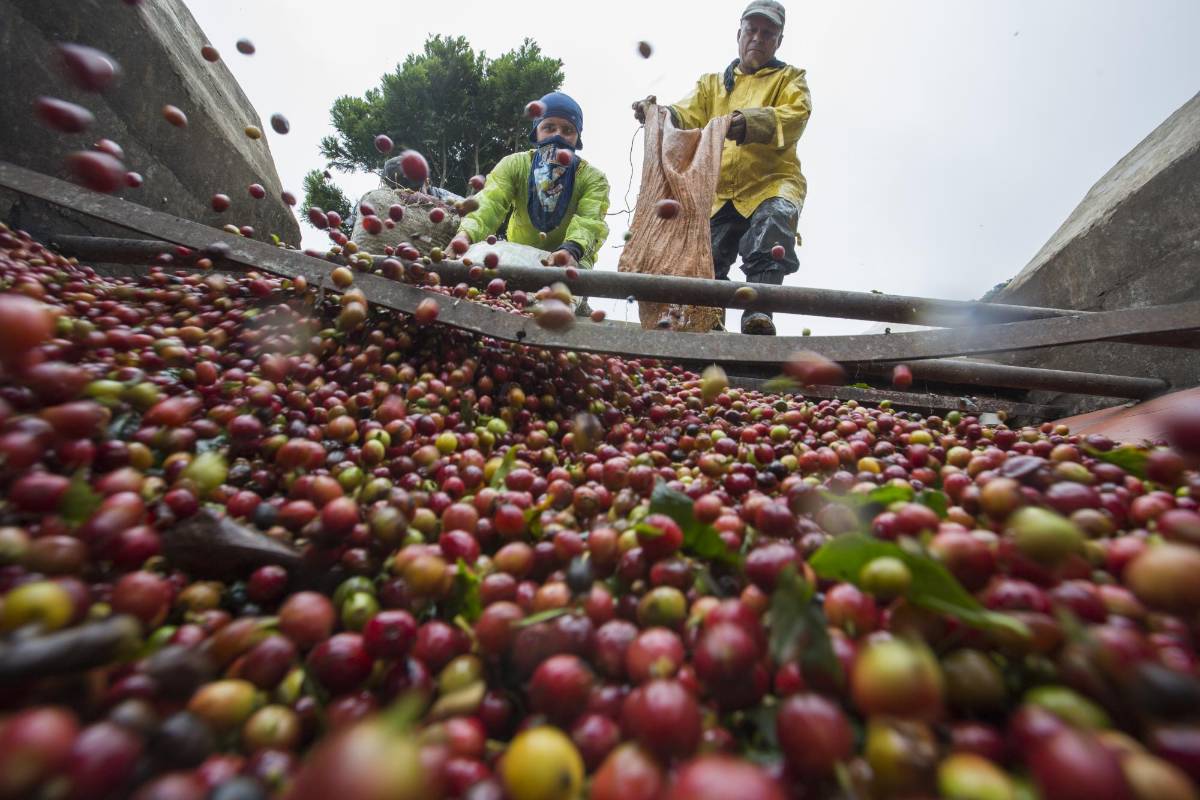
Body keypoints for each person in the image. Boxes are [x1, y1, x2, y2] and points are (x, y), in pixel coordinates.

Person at [632, 0, 810, 335]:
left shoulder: (790, 79)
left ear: (779, 41)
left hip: (772, 183)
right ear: (739, 33)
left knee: (771, 229)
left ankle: (759, 313)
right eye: (751, 30)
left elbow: (795, 116)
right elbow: (685, 114)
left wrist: (748, 121)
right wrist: (657, 113)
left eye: (767, 33)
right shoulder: (712, 84)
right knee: (707, 256)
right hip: (719, 191)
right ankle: (711, 323)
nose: (757, 38)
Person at [451, 92, 611, 275]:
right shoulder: (515, 165)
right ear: (536, 132)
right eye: (549, 127)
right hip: (516, 257)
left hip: (570, 263)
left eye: (567, 130)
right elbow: (490, 202)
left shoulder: (593, 179)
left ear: (577, 138)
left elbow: (590, 221)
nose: (558, 136)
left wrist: (571, 249)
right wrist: (466, 235)